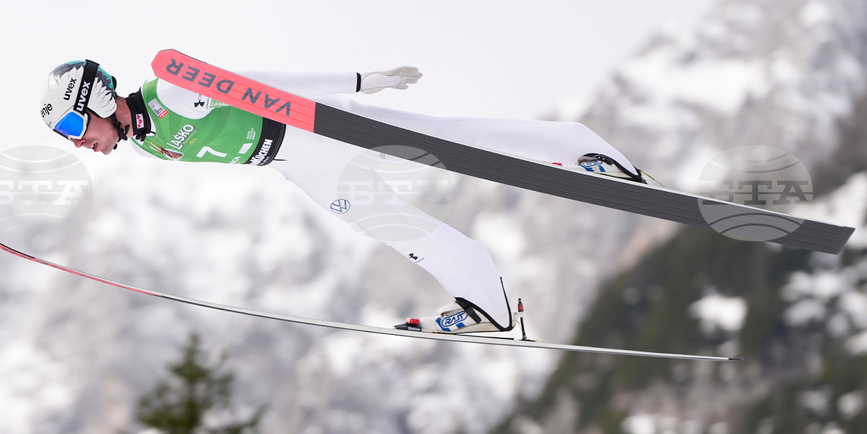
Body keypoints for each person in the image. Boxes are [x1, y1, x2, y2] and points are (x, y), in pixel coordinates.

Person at [40, 60, 643, 334]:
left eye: (73, 128)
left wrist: (356, 82)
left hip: (312, 124)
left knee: (450, 142)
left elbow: (264, 85)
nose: (78, 143)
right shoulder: (146, 142)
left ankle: (580, 147)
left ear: (95, 100)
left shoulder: (170, 87)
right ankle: (487, 301)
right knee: (392, 228)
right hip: (294, 161)